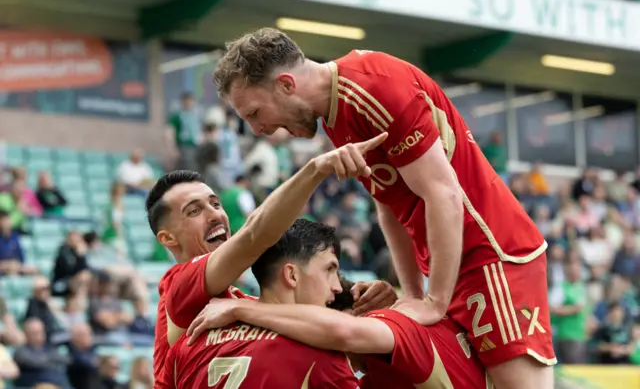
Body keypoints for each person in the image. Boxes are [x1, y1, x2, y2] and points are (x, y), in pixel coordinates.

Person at [213, 28, 555, 388]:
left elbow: (444, 194)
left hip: (490, 256)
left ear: (285, 84)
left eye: (254, 113)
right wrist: (413, 294)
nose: (257, 129)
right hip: (453, 266)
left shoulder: (373, 86)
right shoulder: (336, 114)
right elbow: (389, 206)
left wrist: (433, 301)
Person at [149, 134, 394, 387]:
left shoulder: (236, 310)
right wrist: (315, 169)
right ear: (167, 238)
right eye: (194, 211)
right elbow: (255, 235)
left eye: (215, 203)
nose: (214, 215)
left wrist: (369, 297)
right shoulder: (180, 286)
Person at [186, 259, 488, 388]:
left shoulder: (400, 331)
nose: (317, 339)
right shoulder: (373, 368)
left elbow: (341, 332)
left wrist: (241, 308)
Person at [160, 220, 361, 389]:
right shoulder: (322, 356)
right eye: (329, 270)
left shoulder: (187, 346)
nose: (336, 286)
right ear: (291, 275)